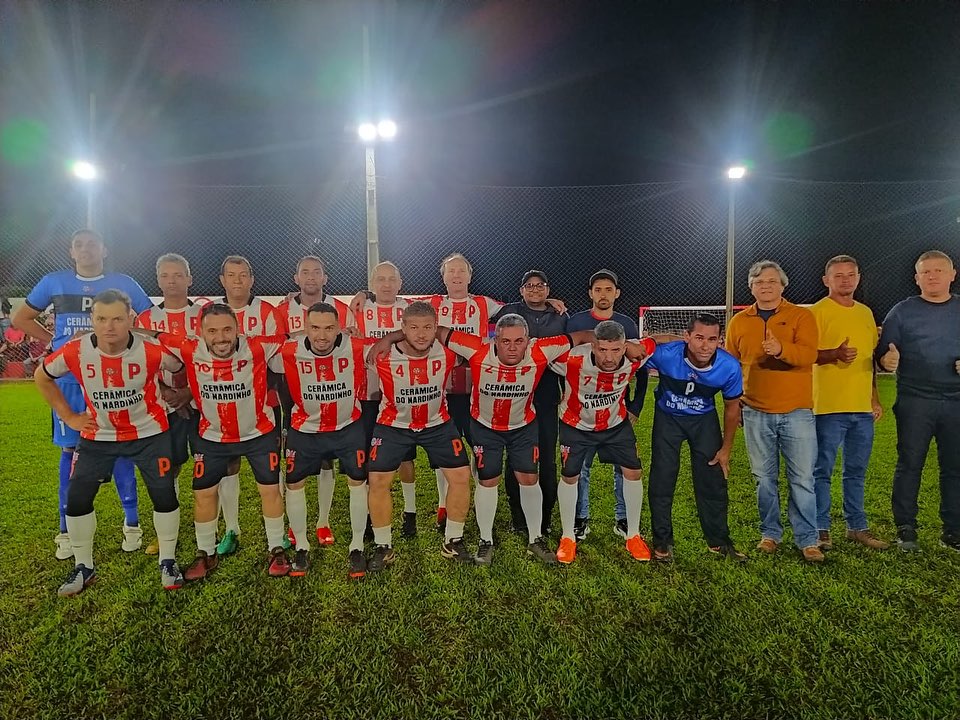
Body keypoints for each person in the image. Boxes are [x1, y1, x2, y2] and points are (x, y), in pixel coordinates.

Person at [12, 229, 152, 559]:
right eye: (78, 245)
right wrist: (56, 342)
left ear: (104, 249)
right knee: (70, 450)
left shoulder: (125, 283)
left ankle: (131, 525)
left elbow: (148, 320)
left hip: (113, 377)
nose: (85, 249)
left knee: (119, 446)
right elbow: (21, 317)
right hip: (71, 379)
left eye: (91, 244)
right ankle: (65, 531)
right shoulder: (53, 282)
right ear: (71, 252)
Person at [34, 290, 183, 596]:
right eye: (101, 319)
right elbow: (42, 376)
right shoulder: (76, 351)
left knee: (164, 495)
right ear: (93, 321)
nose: (109, 326)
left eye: (117, 318)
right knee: (77, 499)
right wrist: (69, 416)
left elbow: (180, 370)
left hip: (149, 434)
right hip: (97, 436)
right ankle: (83, 566)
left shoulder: (152, 351)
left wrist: (172, 394)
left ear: (130, 319)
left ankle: (168, 561)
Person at [440, 315, 597, 564]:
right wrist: (391, 339)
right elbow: (439, 331)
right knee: (488, 481)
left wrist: (617, 343)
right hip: (485, 426)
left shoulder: (541, 349)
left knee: (529, 478)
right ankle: (485, 540)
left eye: (518, 341)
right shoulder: (476, 348)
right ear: (495, 340)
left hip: (522, 426)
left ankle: (535, 538)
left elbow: (582, 336)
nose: (512, 347)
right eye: (505, 341)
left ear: (528, 341)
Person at [154, 303, 291, 579]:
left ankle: (277, 549)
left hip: (258, 433)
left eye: (227, 329)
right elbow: (151, 337)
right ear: (200, 332)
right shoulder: (188, 348)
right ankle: (206, 553)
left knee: (270, 490)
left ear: (238, 328)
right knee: (203, 494)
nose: (221, 337)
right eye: (212, 331)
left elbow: (297, 338)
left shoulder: (258, 346)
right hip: (212, 436)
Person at [725, 260, 823, 563]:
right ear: (751, 287)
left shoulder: (801, 316)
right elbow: (730, 366)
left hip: (797, 412)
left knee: (802, 478)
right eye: (758, 281)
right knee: (763, 478)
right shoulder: (739, 321)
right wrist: (734, 401)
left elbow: (809, 355)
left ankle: (808, 539)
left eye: (771, 281)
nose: (765, 286)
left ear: (782, 285)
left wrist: (782, 350)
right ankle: (770, 534)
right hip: (755, 411)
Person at [365, 301, 473, 570]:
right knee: (378, 480)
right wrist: (390, 337)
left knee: (461, 476)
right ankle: (383, 546)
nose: (421, 334)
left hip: (437, 424)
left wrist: (395, 334)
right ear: (402, 328)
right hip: (393, 425)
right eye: (413, 328)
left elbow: (477, 346)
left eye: (427, 327)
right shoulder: (381, 354)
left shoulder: (449, 353)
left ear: (436, 328)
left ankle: (453, 540)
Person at [269, 302, 370, 578]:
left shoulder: (357, 346)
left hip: (348, 427)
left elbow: (392, 341)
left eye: (329, 328)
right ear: (305, 327)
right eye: (315, 327)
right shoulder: (287, 350)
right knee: (294, 484)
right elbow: (253, 356)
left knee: (357, 482)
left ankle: (357, 546)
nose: (322, 335)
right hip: (305, 429)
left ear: (339, 327)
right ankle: (301, 546)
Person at [645, 314, 747, 563]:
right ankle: (662, 543)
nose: (705, 345)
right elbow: (639, 352)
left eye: (712, 339)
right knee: (663, 477)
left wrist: (726, 448)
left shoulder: (729, 366)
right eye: (699, 337)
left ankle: (719, 542)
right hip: (668, 417)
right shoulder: (666, 354)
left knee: (712, 480)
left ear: (719, 341)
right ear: (687, 337)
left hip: (703, 420)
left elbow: (733, 408)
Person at [877, 250, 960, 552]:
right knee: (910, 464)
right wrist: (888, 359)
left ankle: (953, 530)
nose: (933, 276)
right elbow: (883, 355)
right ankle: (906, 528)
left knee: (955, 467)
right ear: (917, 278)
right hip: (916, 400)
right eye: (926, 272)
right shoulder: (902, 311)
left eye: (939, 270)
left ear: (952, 274)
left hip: (957, 402)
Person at [551, 320, 653, 564]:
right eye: (603, 349)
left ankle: (633, 534)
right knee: (570, 476)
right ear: (593, 346)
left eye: (616, 349)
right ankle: (568, 537)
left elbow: (661, 340)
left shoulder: (635, 356)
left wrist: (630, 345)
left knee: (633, 471)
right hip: (575, 425)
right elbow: (541, 350)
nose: (609, 357)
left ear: (624, 346)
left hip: (615, 425)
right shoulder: (572, 359)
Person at [811, 255, 888, 551]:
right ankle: (821, 528)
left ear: (858, 278)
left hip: (861, 409)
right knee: (822, 471)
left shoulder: (866, 313)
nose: (845, 280)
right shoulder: (817, 312)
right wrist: (834, 354)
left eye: (850, 275)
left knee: (856, 471)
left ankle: (856, 527)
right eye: (838, 275)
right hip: (827, 406)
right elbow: (806, 355)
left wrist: (874, 399)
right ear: (826, 280)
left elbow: (870, 362)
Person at [566, 269, 646, 540]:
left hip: (616, 411)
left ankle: (623, 519)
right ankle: (580, 519)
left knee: (624, 468)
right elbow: (566, 359)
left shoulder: (627, 324)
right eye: (598, 289)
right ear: (590, 293)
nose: (603, 294)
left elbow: (640, 367)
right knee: (580, 469)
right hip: (581, 412)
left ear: (617, 293)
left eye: (608, 289)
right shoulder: (576, 321)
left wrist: (635, 407)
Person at [136, 253, 205, 555]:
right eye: (166, 275)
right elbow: (137, 364)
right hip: (163, 406)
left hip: (202, 402)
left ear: (190, 279)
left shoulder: (205, 315)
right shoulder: (145, 321)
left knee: (211, 467)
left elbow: (213, 359)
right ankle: (168, 533)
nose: (172, 281)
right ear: (158, 279)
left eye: (178, 275)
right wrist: (167, 393)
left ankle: (214, 529)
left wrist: (189, 392)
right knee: (168, 467)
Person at [214, 255, 283, 557]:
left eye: (243, 275)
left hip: (263, 401)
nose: (238, 280)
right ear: (223, 280)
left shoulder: (266, 311)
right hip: (221, 402)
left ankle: (283, 530)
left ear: (252, 280)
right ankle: (232, 528)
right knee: (229, 465)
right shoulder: (210, 312)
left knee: (272, 464)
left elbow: (280, 352)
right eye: (232, 275)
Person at [490, 270, 568, 538]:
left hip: (545, 392)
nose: (535, 290)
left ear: (548, 289)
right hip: (513, 393)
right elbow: (470, 312)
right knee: (515, 456)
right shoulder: (508, 311)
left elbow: (569, 352)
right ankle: (518, 517)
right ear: (521, 290)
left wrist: (565, 390)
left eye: (540, 286)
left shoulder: (560, 315)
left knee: (546, 456)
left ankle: (544, 518)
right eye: (529, 286)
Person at [346, 261, 418, 538]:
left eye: (392, 279)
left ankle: (409, 512)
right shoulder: (359, 309)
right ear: (372, 284)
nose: (386, 284)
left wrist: (388, 338)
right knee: (366, 456)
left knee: (405, 457)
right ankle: (367, 514)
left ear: (400, 283)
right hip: (367, 393)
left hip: (401, 395)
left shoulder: (409, 308)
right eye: (380, 279)